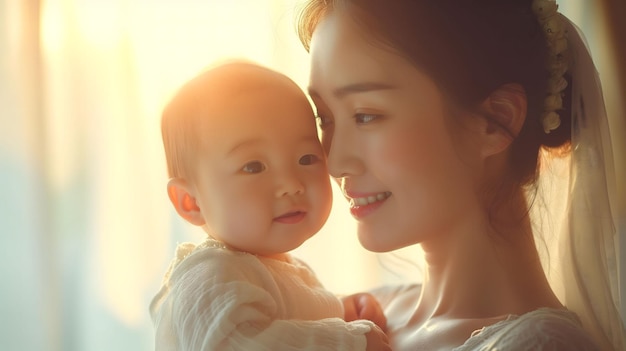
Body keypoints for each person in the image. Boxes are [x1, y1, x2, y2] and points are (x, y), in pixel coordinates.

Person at [297, 0, 625, 350]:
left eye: (365, 115)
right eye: (324, 118)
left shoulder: (540, 345)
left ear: (494, 121)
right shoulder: (356, 317)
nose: (334, 161)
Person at [149, 61, 390, 351]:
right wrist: (346, 342)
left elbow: (285, 318)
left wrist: (339, 309)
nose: (291, 183)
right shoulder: (206, 275)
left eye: (306, 159)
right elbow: (233, 343)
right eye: (254, 166)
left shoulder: (268, 269)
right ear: (191, 202)